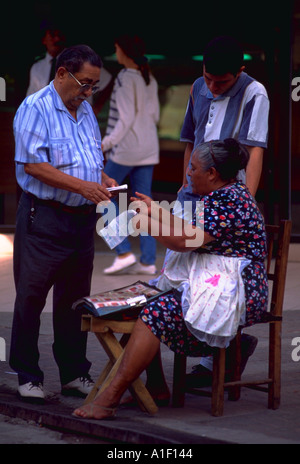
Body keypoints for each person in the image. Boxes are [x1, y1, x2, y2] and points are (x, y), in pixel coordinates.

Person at [73, 138, 269, 420]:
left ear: (212, 174)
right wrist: (156, 212)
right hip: (216, 281)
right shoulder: (222, 194)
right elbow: (190, 227)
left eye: (194, 168)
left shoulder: (231, 201)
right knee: (147, 300)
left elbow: (186, 240)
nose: (189, 173)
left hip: (237, 292)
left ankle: (109, 398)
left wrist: (145, 224)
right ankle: (155, 388)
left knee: (155, 311)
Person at [10, 44, 118, 402]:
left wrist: (100, 179)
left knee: (75, 301)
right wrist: (83, 186)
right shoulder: (34, 108)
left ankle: (74, 372)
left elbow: (87, 157)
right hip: (45, 217)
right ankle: (28, 374)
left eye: (94, 86)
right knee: (31, 297)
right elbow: (33, 165)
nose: (88, 93)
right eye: (84, 83)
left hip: (81, 220)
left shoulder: (84, 109)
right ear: (61, 74)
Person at [101, 34, 160, 276]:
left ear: (124, 51)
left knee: (102, 193)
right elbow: (155, 115)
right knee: (143, 204)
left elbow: (124, 120)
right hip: (148, 149)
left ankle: (123, 252)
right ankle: (148, 261)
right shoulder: (149, 77)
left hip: (126, 150)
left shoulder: (125, 77)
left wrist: (104, 145)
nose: (115, 53)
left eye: (116, 48)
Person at [26, 24, 113, 115]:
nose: (57, 39)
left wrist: (97, 108)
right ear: (44, 40)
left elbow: (108, 81)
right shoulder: (37, 68)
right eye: (52, 35)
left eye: (59, 35)